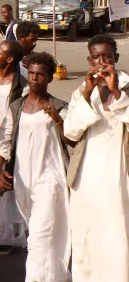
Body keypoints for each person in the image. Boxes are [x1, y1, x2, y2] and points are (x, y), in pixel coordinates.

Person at [0, 51, 72, 282]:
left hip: (51, 179)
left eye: (40, 74)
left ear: (49, 78)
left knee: (40, 234)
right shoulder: (17, 107)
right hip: (24, 180)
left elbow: (72, 139)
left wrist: (57, 120)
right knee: (41, 236)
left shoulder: (59, 106)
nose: (35, 78)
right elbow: (4, 142)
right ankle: (56, 276)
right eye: (32, 73)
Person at [64, 34, 129, 282]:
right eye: (96, 58)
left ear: (116, 58)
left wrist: (116, 93)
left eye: (107, 57)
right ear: (89, 60)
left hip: (118, 173)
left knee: (116, 233)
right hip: (87, 174)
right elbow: (70, 132)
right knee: (87, 233)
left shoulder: (125, 86)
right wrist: (86, 94)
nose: (101, 63)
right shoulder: (82, 90)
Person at [0, 40, 27, 254]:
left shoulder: (21, 84)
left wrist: (4, 129)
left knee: (4, 186)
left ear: (9, 59)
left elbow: (23, 113)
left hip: (7, 141)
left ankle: (6, 235)